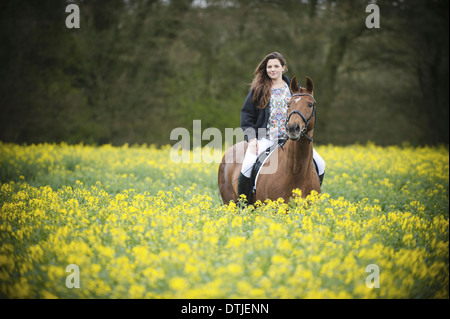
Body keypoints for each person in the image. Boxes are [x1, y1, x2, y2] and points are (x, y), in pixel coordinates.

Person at [238, 52, 325, 202]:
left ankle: (312, 197)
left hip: (291, 139)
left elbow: (305, 109)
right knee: (247, 166)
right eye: (269, 67)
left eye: (276, 66)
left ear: (283, 68)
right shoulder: (259, 89)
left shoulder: (294, 89)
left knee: (321, 164)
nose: (272, 69)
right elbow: (246, 116)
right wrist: (251, 139)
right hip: (266, 139)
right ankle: (243, 204)